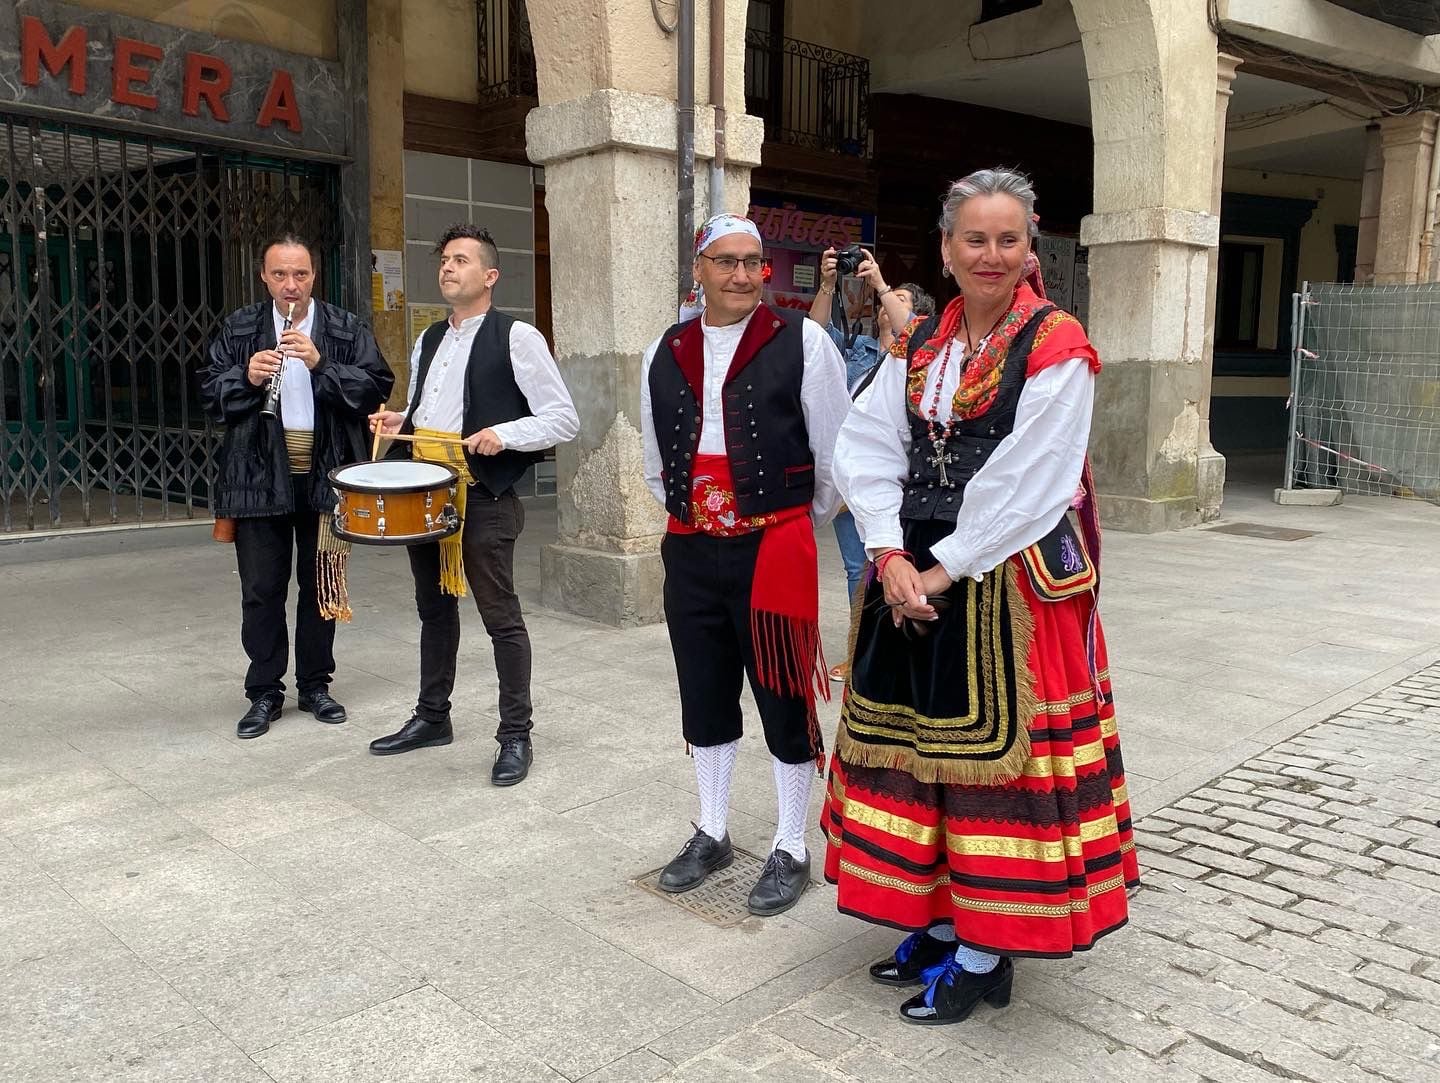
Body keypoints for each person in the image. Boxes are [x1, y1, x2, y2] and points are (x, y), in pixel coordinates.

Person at [823, 168, 1138, 1024]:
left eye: (1008, 239)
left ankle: (985, 950)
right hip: (911, 566)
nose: (992, 254)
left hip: (1007, 580)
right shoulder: (919, 342)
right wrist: (888, 551)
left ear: (1029, 248)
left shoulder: (1056, 341)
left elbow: (1034, 479)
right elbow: (866, 441)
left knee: (994, 770)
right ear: (946, 249)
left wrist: (940, 566)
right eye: (975, 238)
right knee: (912, 752)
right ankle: (936, 918)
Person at [641, 213, 850, 916]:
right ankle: (713, 829)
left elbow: (834, 453)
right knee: (702, 691)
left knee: (783, 694)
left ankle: (792, 843)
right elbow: (653, 461)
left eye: (753, 262)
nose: (741, 275)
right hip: (691, 544)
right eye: (725, 261)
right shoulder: (663, 350)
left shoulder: (805, 341)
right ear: (697, 270)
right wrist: (701, 511)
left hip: (773, 544)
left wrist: (785, 516)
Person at [368, 225, 578, 786]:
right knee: (434, 611)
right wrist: (397, 422)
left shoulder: (518, 337)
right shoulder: (429, 338)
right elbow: (420, 413)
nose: (446, 268)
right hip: (427, 491)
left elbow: (563, 418)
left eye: (460, 260)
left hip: (483, 494)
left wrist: (503, 434)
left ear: (489, 276)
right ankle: (433, 717)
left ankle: (515, 735)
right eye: (443, 260)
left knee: (500, 617)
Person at [201, 232, 394, 739]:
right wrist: (245, 377)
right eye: (280, 275)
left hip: (326, 475)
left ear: (314, 276)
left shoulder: (345, 328)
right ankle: (264, 691)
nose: (291, 285)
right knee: (262, 590)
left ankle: (314, 685)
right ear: (264, 277)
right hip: (257, 475)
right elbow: (207, 393)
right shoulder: (240, 327)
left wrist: (320, 364)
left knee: (320, 587)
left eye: (301, 274)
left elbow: (375, 387)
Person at [808, 250, 934, 682]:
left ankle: (899, 644)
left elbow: (913, 336)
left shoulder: (923, 354)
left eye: (898, 298)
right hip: (856, 481)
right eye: (885, 297)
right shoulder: (857, 349)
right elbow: (814, 334)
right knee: (855, 567)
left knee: (900, 562)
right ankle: (860, 648)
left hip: (907, 485)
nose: (885, 303)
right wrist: (828, 285)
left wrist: (880, 281)